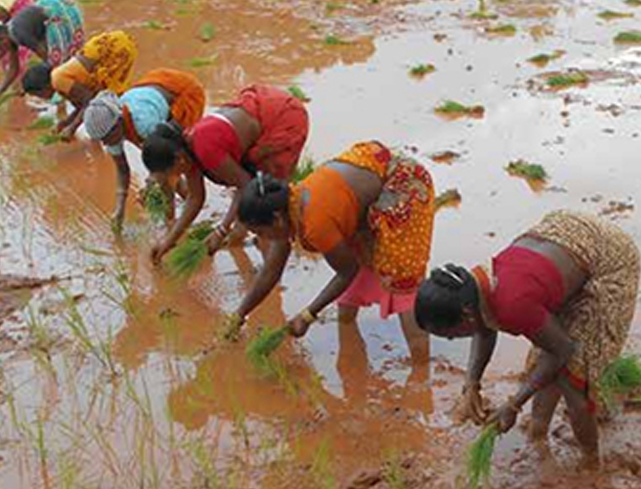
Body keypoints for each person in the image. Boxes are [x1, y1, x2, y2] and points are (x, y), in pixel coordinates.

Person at [414, 210, 640, 465]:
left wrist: (513, 404)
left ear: (466, 313)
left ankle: (591, 461)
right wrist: (471, 383)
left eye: (450, 336)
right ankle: (538, 434)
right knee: (543, 363)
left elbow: (562, 350)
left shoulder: (513, 303)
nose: (452, 341)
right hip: (566, 240)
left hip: (609, 259)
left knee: (574, 377)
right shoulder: (472, 286)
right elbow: (484, 325)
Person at [232, 140, 435, 341]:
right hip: (368, 180)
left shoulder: (314, 223)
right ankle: (349, 346)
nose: (261, 238)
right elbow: (270, 272)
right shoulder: (289, 206)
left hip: (402, 184)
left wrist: (308, 315)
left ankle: (419, 358)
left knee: (402, 285)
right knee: (355, 270)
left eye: (260, 231)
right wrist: (238, 316)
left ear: (276, 219)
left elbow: (347, 271)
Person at [141, 84, 308, 263]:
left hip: (282, 118)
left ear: (178, 160)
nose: (172, 177)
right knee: (246, 222)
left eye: (168, 173)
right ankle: (251, 247)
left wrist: (221, 231)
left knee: (267, 206)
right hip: (262, 110)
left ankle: (274, 267)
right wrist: (168, 242)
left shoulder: (205, 148)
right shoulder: (186, 149)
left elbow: (248, 186)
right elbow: (195, 198)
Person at [83, 69, 206, 227]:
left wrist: (152, 182)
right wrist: (119, 208)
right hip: (151, 93)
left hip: (182, 93)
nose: (106, 144)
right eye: (102, 140)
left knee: (171, 169)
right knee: (163, 172)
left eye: (106, 139)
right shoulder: (112, 131)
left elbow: (164, 158)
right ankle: (186, 199)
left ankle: (178, 216)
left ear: (117, 125)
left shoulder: (143, 123)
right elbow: (122, 169)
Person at [22, 30, 137, 138]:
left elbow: (89, 100)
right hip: (113, 44)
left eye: (38, 95)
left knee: (111, 100)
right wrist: (66, 122)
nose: (41, 98)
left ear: (42, 89)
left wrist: (72, 128)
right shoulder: (59, 80)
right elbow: (82, 106)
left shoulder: (58, 81)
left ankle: (128, 131)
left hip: (116, 50)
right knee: (104, 100)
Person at [0, 0, 84, 98]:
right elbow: (13, 69)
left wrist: (34, 84)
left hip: (57, 12)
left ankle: (76, 89)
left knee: (58, 61)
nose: (2, 51)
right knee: (58, 62)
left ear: (2, 39)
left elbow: (43, 53)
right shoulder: (10, 35)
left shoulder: (18, 33)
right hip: (50, 10)